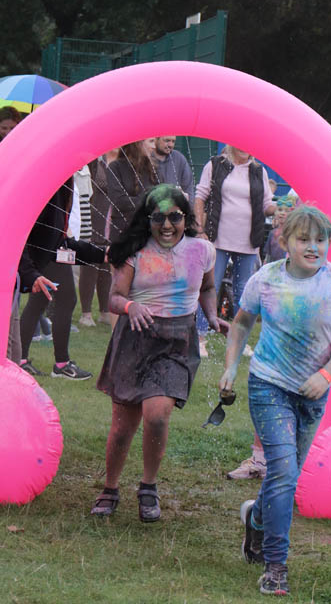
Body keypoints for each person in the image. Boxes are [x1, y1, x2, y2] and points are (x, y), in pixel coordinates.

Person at [219, 205, 331, 595]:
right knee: (282, 471)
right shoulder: (265, 280)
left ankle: (256, 521)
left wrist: (327, 373)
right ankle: (275, 565)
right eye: (304, 239)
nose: (313, 247)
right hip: (269, 385)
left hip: (313, 393)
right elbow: (241, 324)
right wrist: (231, 368)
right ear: (285, 242)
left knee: (289, 473)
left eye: (321, 240)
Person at [92, 184, 228, 522]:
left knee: (156, 415)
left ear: (185, 218)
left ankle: (148, 486)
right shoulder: (135, 251)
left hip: (176, 342)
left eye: (174, 217)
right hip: (135, 338)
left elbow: (208, 286)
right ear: (147, 219)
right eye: (158, 218)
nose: (166, 226)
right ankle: (110, 488)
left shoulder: (202, 250)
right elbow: (113, 298)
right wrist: (130, 306)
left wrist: (210, 315)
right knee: (123, 428)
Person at [227, 195, 296, 481]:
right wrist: (231, 367)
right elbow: (242, 322)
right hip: (272, 352)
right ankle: (259, 460)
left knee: (295, 411)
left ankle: (289, 464)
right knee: (266, 403)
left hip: (309, 356)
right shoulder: (268, 271)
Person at [19, 177, 107, 378]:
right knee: (66, 298)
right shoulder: (52, 179)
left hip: (55, 244)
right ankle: (61, 364)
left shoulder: (67, 178)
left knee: (40, 299)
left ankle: (21, 359)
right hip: (49, 248)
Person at [194, 145, 276, 357]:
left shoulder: (259, 171)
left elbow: (267, 204)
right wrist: (199, 228)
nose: (245, 148)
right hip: (218, 239)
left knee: (244, 292)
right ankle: (200, 337)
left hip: (248, 241)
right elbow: (200, 196)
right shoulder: (215, 164)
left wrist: (281, 207)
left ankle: (239, 340)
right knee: (209, 287)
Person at [78, 150, 119, 327]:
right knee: (90, 265)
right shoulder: (94, 161)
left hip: (113, 221)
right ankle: (86, 313)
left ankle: (104, 310)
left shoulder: (125, 162)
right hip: (94, 218)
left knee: (107, 265)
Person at [107, 138, 158, 243]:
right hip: (123, 235)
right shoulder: (115, 167)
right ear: (138, 143)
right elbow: (119, 201)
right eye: (151, 141)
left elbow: (161, 198)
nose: (154, 147)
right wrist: (149, 199)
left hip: (149, 234)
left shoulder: (154, 169)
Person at [152, 135, 194, 205]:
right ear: (156, 139)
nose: (170, 145)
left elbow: (189, 189)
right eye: (167, 141)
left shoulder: (179, 158)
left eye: (173, 141)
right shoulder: (146, 158)